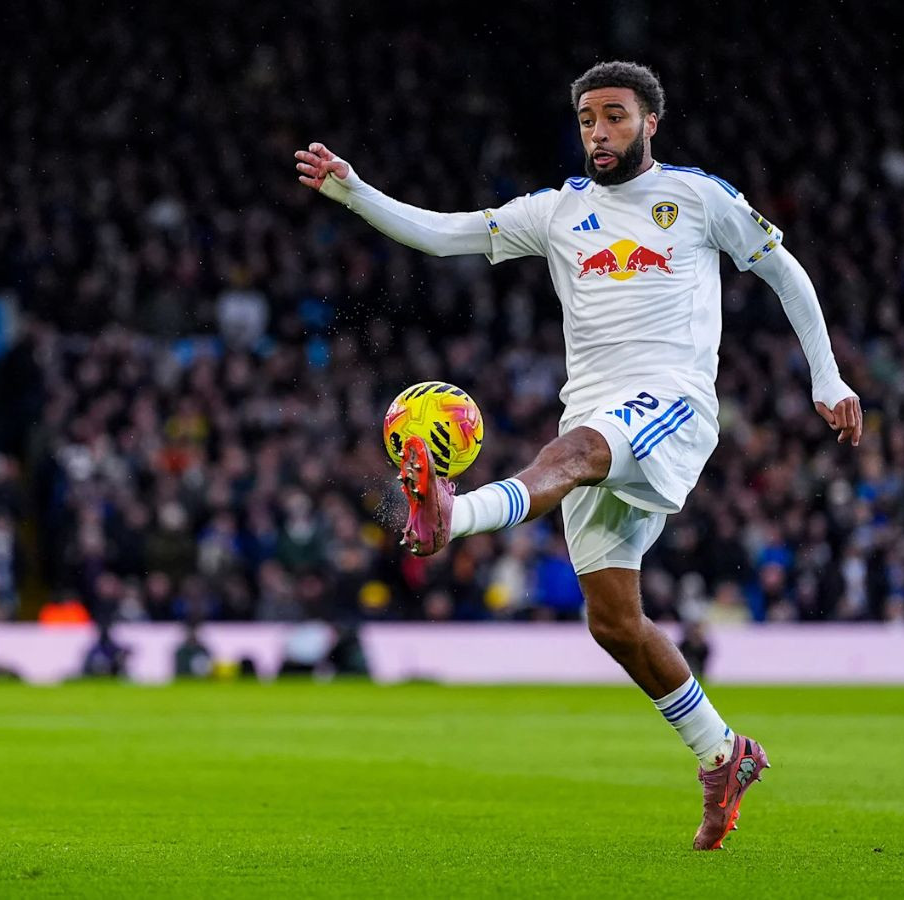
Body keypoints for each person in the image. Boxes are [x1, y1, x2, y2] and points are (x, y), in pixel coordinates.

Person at [295, 60, 863, 850]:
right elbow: (448, 234)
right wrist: (353, 190)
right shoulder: (556, 211)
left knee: (574, 453)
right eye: (589, 118)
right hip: (593, 409)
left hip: (671, 403)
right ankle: (723, 753)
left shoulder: (698, 197)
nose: (599, 131)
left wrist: (826, 377)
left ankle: (452, 514)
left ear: (650, 122)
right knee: (615, 622)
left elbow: (785, 272)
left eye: (615, 116)